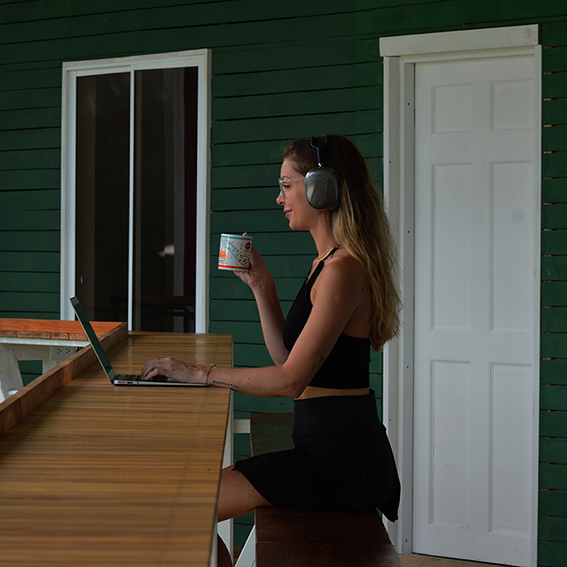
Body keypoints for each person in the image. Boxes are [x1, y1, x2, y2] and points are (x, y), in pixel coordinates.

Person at [141, 134, 401, 566]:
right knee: (187, 510)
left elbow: (290, 380)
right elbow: (288, 358)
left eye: (286, 185)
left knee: (183, 508)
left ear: (322, 188)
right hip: (321, 449)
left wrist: (199, 372)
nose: (279, 198)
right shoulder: (326, 263)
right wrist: (262, 286)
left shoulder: (343, 269)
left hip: (336, 460)